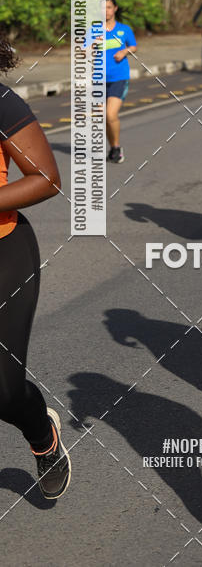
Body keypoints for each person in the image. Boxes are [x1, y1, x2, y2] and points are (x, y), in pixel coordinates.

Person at [0, 33, 71, 498]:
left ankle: (42, 437)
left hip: (4, 250)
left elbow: (46, 178)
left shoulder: (1, 101)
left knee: (4, 393)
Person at [89, 0, 137, 164]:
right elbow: (83, 51)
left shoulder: (124, 29)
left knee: (110, 114)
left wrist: (124, 51)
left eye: (109, 7)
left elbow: (133, 46)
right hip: (99, 78)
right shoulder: (94, 30)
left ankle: (116, 147)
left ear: (115, 8)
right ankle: (113, 146)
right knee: (103, 116)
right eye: (103, 8)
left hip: (119, 76)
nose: (106, 11)